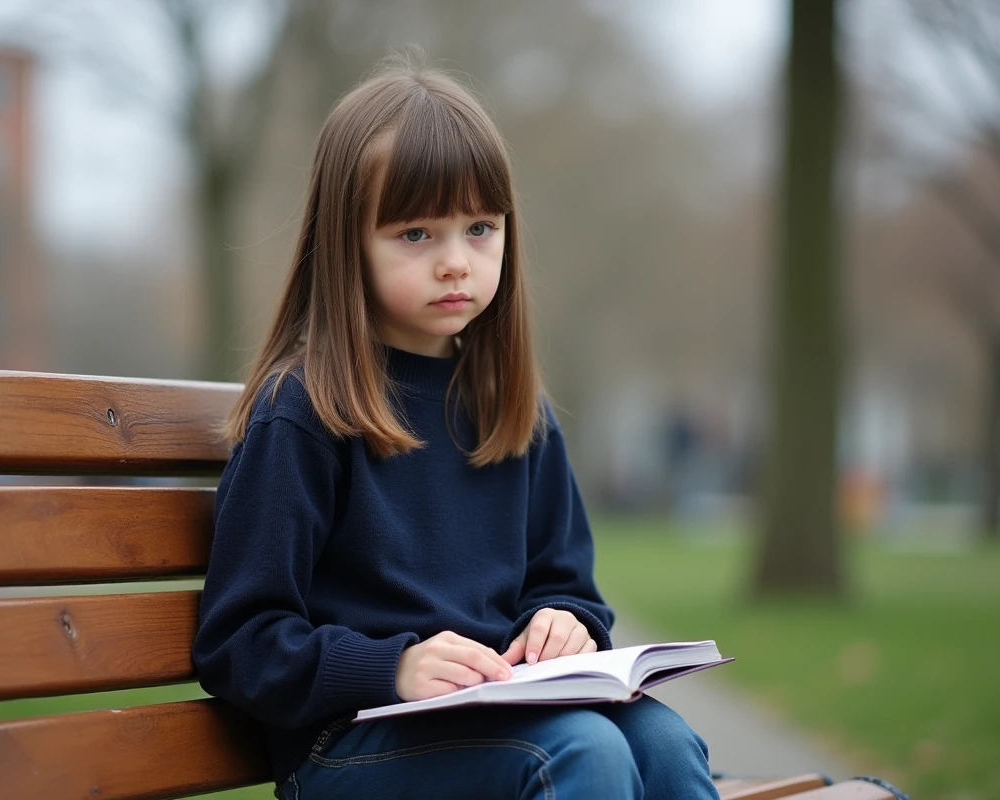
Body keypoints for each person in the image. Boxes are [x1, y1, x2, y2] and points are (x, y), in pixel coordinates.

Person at [192, 52, 718, 800]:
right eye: (415, 234)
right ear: (345, 245)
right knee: (581, 755)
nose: (455, 263)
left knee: (663, 741)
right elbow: (239, 643)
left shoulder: (513, 409)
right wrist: (393, 666)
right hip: (350, 747)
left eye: (479, 228)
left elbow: (566, 585)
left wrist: (562, 623)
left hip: (498, 719)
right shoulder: (304, 412)